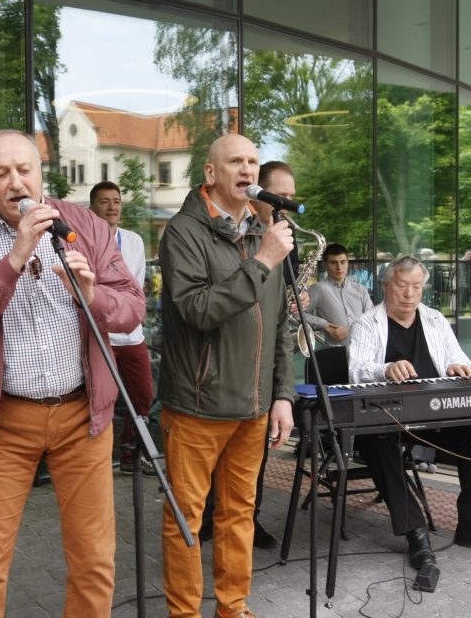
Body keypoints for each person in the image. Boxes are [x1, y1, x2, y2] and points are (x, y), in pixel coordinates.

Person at [0, 129, 145, 618]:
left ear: (41, 172)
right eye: (2, 173)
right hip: (4, 423)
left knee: (95, 561)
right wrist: (13, 260)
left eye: (24, 169)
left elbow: (132, 308)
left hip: (83, 418)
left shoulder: (87, 226)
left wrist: (91, 296)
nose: (16, 182)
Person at [159, 133, 296, 618]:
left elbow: (281, 322)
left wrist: (282, 394)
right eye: (235, 161)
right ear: (211, 174)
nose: (247, 169)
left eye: (253, 162)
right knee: (186, 520)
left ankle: (233, 609)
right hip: (197, 405)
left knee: (240, 516)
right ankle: (184, 614)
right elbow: (197, 309)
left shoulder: (265, 231)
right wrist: (262, 263)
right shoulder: (182, 233)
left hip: (254, 407)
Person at [348, 254, 471, 584]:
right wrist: (385, 369)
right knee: (374, 444)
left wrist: (458, 366)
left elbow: (457, 356)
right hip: (390, 420)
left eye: (416, 287)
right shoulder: (367, 323)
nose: (409, 294)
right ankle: (416, 534)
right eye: (401, 286)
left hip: (435, 413)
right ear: (386, 286)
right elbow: (356, 370)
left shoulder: (435, 319)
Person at [201, 159, 304, 550]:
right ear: (257, 193)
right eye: (281, 195)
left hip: (260, 370)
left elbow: (278, 307)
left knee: (252, 462)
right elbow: (207, 305)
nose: (287, 204)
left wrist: (295, 298)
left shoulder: (285, 238)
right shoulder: (229, 235)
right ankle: (210, 516)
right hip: (222, 369)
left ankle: (250, 518)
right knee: (213, 459)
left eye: (292, 197)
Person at [88, 180, 155, 476]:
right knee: (102, 398)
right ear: (92, 207)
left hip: (130, 333)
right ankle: (95, 460)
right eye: (104, 201)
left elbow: (136, 287)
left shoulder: (133, 241)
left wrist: (123, 309)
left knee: (143, 394)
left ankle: (130, 454)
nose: (112, 207)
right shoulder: (83, 240)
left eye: (116, 201)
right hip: (99, 334)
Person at [305, 243, 373, 347]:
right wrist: (323, 324)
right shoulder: (318, 289)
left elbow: (372, 320)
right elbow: (296, 314)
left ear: (348, 263)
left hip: (364, 350)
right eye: (333, 263)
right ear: (325, 264)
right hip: (335, 354)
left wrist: (349, 331)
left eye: (342, 262)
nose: (339, 267)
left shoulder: (361, 290)